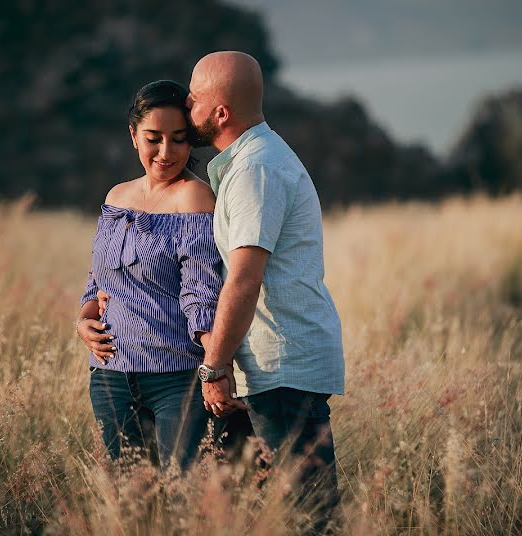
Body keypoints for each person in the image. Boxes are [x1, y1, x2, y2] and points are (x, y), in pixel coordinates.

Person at [188, 51, 345, 529]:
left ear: (220, 113)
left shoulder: (255, 170)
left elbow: (245, 277)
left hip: (283, 368)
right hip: (277, 366)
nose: (186, 101)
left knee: (307, 514)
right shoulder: (251, 163)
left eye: (195, 96)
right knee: (285, 507)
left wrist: (213, 365)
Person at [75, 79, 235, 470]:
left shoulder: (194, 197)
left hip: (175, 378)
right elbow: (99, 278)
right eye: (154, 138)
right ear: (133, 136)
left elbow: (201, 291)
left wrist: (217, 366)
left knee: (184, 499)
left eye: (179, 139)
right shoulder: (116, 197)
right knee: (132, 501)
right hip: (110, 377)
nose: (166, 153)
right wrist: (83, 319)